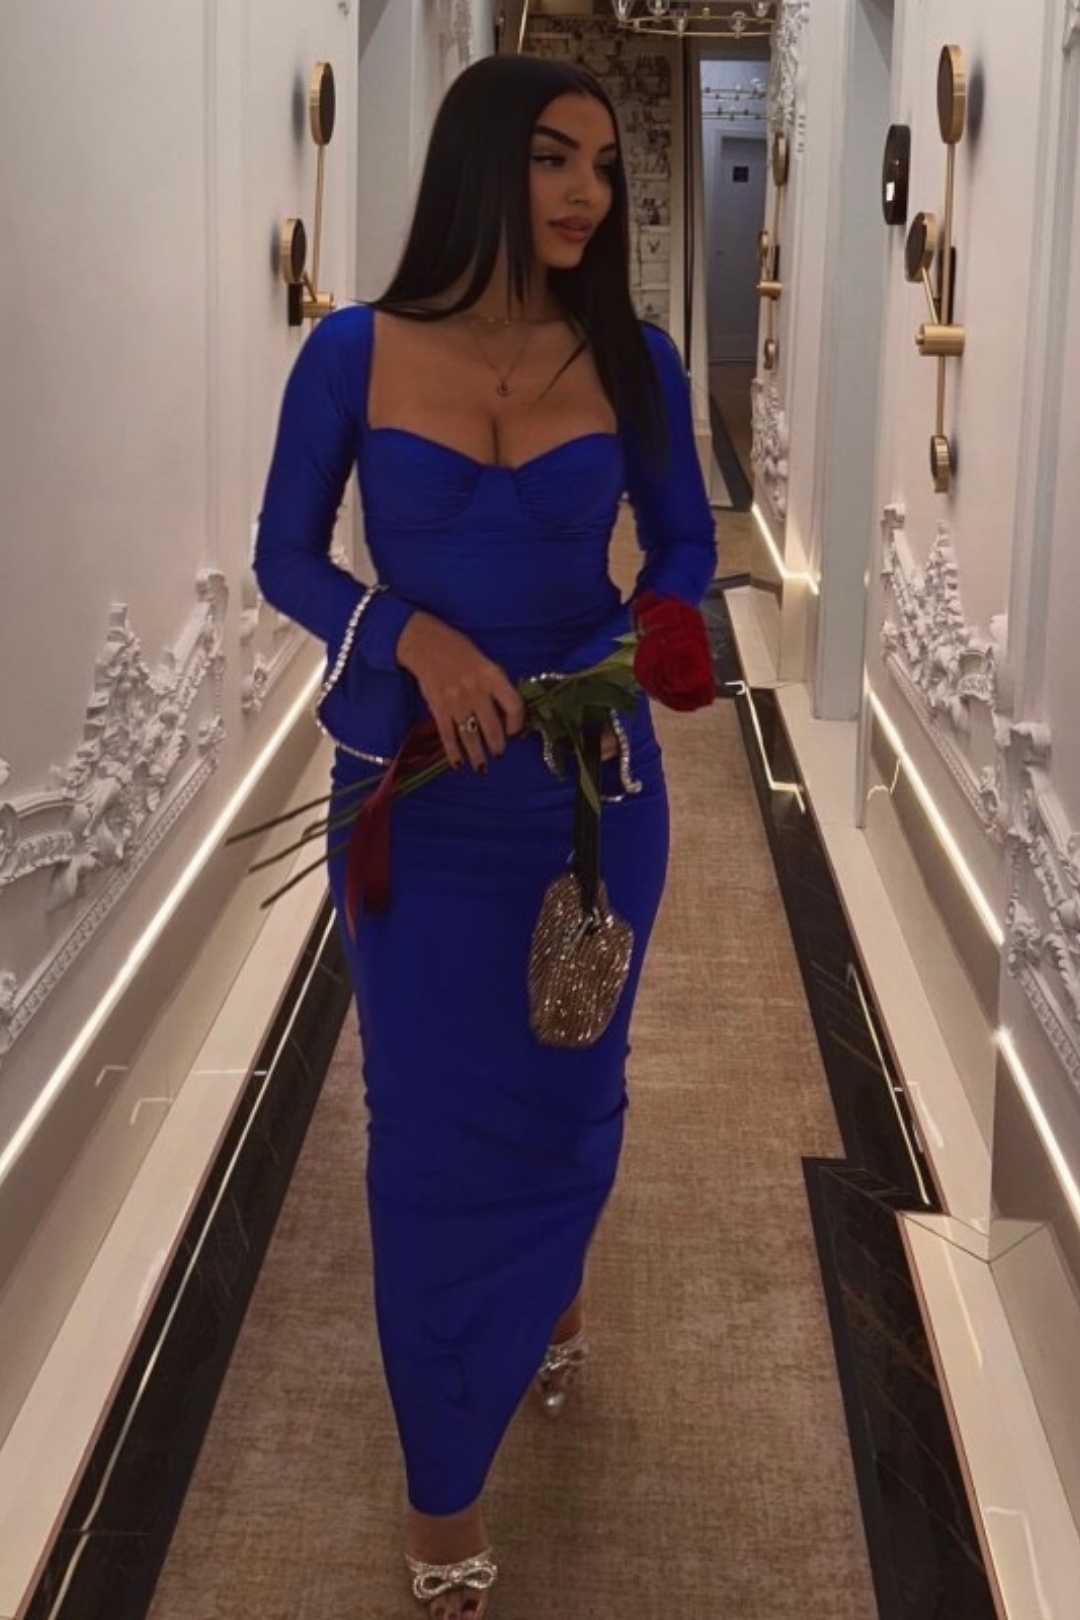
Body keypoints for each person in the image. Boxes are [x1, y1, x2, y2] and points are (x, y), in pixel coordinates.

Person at [253, 51, 716, 1620]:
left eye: (605, 165)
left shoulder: (634, 356)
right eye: (554, 158)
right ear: (478, 168)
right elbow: (285, 556)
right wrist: (406, 632)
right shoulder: (353, 353)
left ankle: (554, 1284)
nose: (590, 190)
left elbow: (685, 544)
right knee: (428, 1133)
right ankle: (442, 1485)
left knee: (573, 1083)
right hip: (418, 802)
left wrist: (645, 632)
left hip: (590, 797)